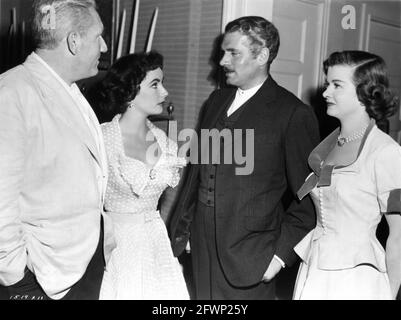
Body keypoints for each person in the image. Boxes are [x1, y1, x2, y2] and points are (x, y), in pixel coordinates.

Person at [168, 16, 320, 299]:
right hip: (201, 253)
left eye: (233, 53)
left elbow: (311, 200)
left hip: (251, 261)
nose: (222, 62)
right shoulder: (215, 102)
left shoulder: (293, 114)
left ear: (261, 55)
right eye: (223, 52)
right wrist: (185, 231)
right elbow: (195, 176)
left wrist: (278, 257)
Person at [0, 0, 116, 300]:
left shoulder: (69, 88)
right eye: (98, 36)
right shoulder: (12, 93)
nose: (104, 47)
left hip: (79, 266)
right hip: (42, 279)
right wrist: (16, 276)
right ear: (73, 41)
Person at [294, 50, 401, 300]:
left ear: (365, 93)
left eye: (337, 85)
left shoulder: (386, 153)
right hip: (314, 269)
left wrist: (390, 294)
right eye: (327, 84)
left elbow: (398, 238)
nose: (325, 93)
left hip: (356, 279)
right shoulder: (328, 146)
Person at [94, 52, 189, 300]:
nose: (165, 92)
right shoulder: (101, 138)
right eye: (155, 84)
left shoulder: (165, 143)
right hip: (116, 247)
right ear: (130, 93)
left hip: (156, 243)